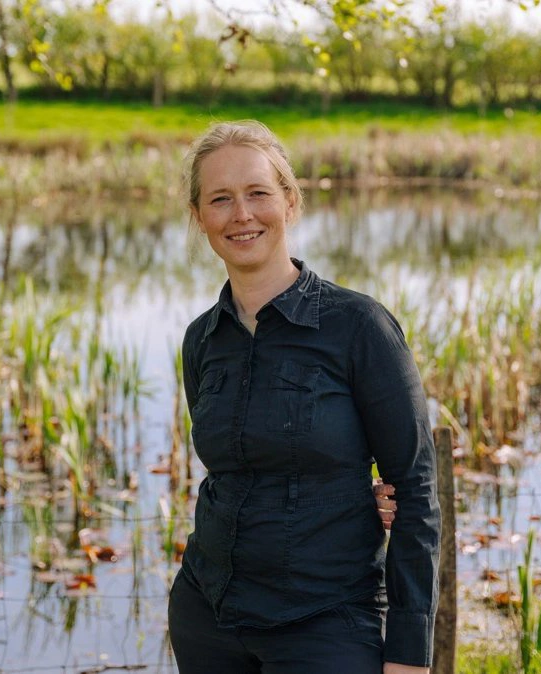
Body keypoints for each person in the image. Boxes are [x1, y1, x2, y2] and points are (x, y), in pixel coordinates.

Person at [168, 120, 440, 674]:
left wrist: (410, 655)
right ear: (200, 218)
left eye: (258, 193)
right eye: (220, 199)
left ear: (290, 203)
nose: (242, 214)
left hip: (326, 621)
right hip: (208, 617)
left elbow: (414, 487)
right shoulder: (201, 339)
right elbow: (232, 470)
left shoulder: (359, 326)